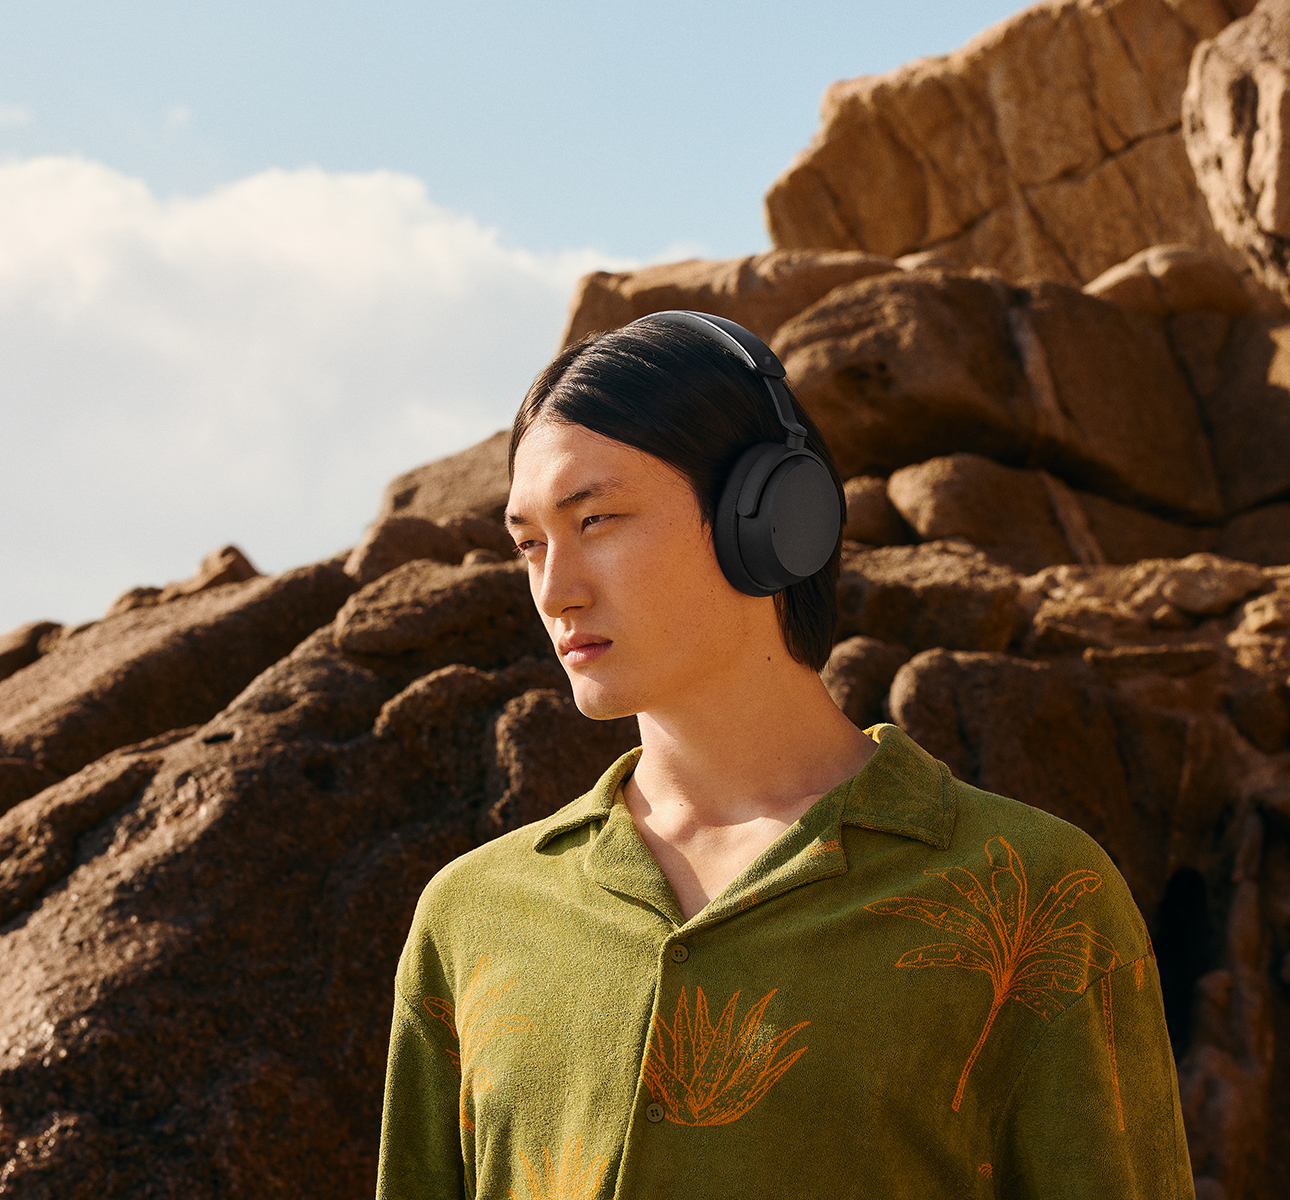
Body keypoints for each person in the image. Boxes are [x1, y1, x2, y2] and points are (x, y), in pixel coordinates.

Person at [376, 312, 1193, 1199]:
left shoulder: (1036, 895)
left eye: (597, 520)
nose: (554, 589)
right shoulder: (473, 917)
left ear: (769, 520)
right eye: (529, 543)